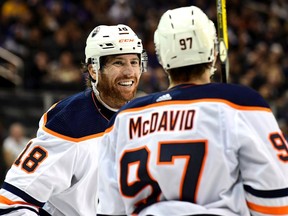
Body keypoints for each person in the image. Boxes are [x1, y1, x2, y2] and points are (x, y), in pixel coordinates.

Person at [96, 6, 288, 216]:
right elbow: (276, 202)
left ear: (160, 56)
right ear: (214, 53)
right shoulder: (240, 103)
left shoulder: (122, 119)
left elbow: (109, 210)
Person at [0, 24, 147, 216]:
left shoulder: (146, 114)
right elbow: (11, 203)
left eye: (134, 62)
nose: (129, 72)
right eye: (118, 63)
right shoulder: (69, 122)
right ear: (94, 70)